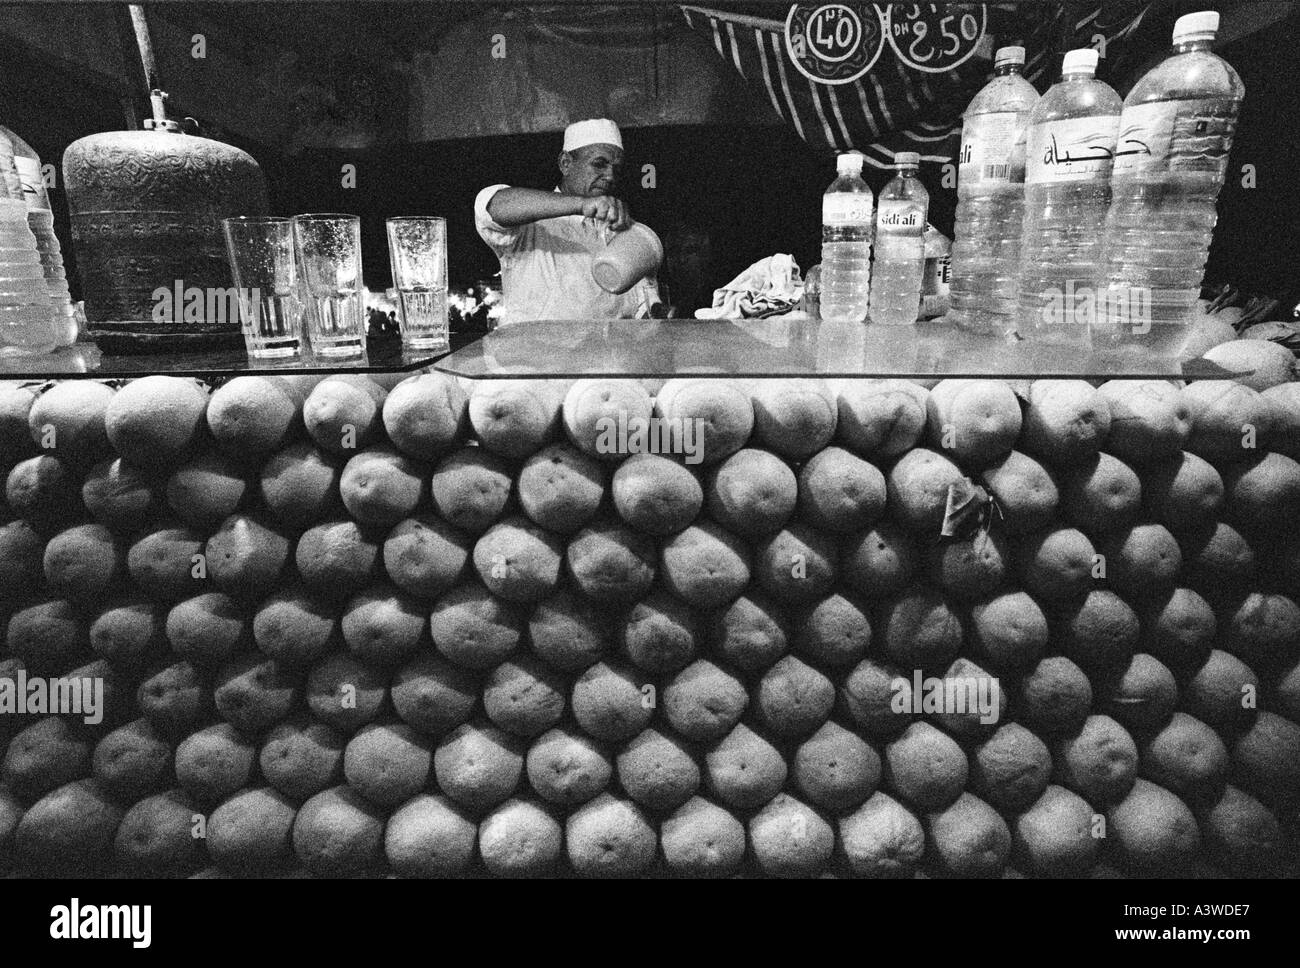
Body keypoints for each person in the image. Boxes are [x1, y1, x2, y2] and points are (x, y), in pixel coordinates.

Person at [474, 119, 661, 325]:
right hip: (535, 355)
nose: (610, 176)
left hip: (610, 354)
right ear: (565, 163)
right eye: (599, 164)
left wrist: (657, 313)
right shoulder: (531, 225)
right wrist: (582, 204)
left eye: (616, 169)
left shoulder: (623, 233)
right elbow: (494, 205)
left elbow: (644, 307)